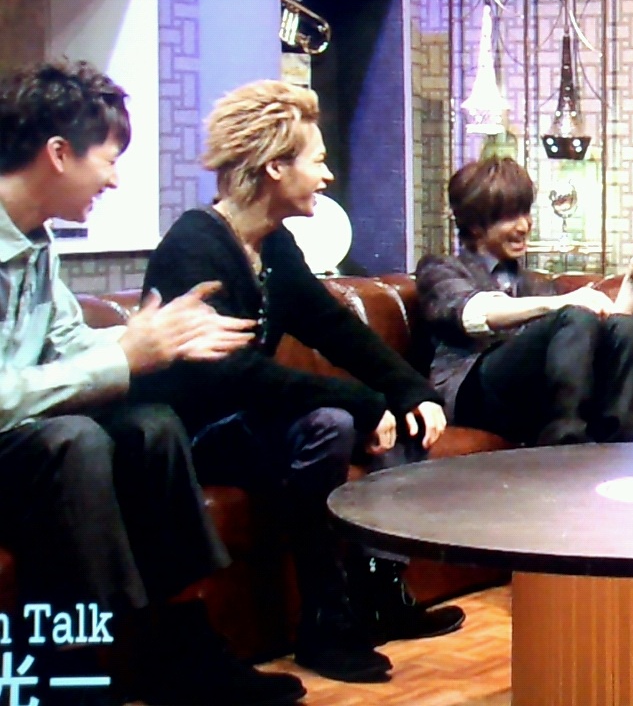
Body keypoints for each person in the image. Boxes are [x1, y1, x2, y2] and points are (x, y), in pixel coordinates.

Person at [134, 80, 460, 684]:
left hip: (246, 424)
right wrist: (360, 401)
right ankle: (325, 621)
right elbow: (227, 372)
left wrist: (411, 390)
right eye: (318, 161)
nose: (328, 176)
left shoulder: (274, 246)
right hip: (190, 439)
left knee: (382, 417)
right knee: (332, 423)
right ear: (275, 167)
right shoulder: (194, 246)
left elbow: (333, 327)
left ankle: (367, 600)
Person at [0, 61, 305, 706]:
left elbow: (68, 344)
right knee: (74, 441)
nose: (113, 179)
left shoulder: (35, 243)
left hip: (22, 447)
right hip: (22, 442)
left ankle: (184, 649)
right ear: (59, 153)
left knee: (152, 426)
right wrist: (124, 356)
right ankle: (72, 678)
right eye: (109, 160)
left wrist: (154, 341)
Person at [415, 156, 633, 446]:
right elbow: (474, 312)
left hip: (527, 400)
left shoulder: (534, 283)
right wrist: (559, 304)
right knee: (574, 316)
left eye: (525, 213)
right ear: (475, 226)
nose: (524, 225)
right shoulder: (440, 269)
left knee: (625, 327)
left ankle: (619, 447)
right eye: (510, 217)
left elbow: (597, 335)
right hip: (470, 396)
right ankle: (565, 444)